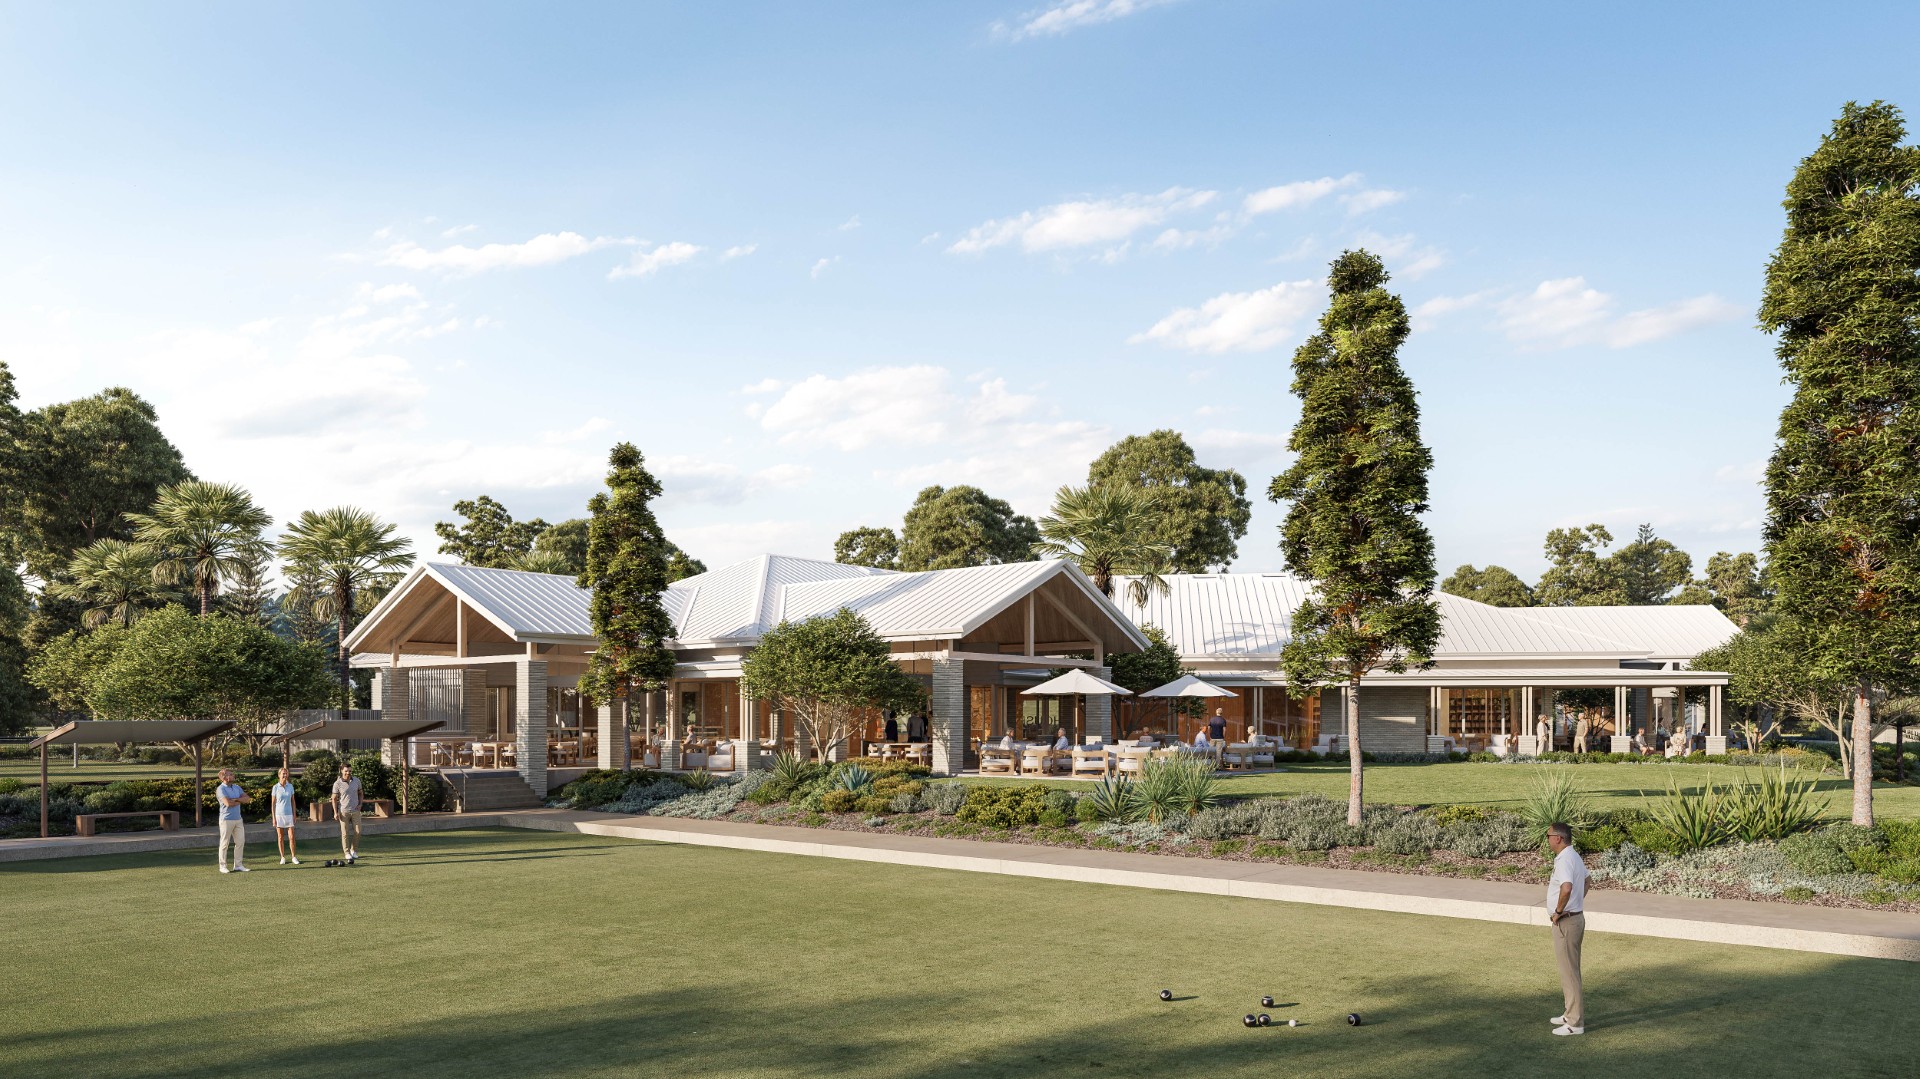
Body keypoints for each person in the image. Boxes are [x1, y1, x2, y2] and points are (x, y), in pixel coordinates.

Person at [1545, 821, 1589, 1036]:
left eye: (1548, 836)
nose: (1548, 840)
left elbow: (1567, 887)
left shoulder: (1565, 859)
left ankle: (1575, 1023)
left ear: (1558, 838)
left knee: (1570, 972)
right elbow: (1587, 881)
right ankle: (1569, 1013)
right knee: (1568, 971)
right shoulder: (1574, 856)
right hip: (1574, 918)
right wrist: (1576, 903)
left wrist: (1559, 910)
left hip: (1566, 922)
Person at [215, 768, 251, 874]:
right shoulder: (220, 789)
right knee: (224, 843)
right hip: (226, 820)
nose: (233, 775)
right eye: (231, 774)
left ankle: (238, 865)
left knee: (240, 842)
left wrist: (235, 800)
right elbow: (228, 803)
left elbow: (247, 799)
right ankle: (222, 866)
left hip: (238, 819)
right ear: (225, 777)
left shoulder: (237, 787)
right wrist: (239, 800)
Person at [332, 763, 364, 864]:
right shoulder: (337, 783)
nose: (348, 773)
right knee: (345, 833)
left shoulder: (357, 781)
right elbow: (333, 798)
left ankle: (353, 850)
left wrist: (360, 804)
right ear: (341, 771)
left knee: (358, 831)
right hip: (343, 811)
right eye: (346, 771)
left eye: (349, 771)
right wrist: (335, 812)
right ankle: (346, 852)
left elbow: (361, 793)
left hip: (355, 811)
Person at [271, 767, 300, 865]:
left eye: (286, 773)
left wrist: (294, 815)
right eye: (283, 773)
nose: (285, 775)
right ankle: (282, 857)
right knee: (280, 837)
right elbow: (273, 804)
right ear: (279, 775)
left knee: (292, 837)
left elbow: (293, 801)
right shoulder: (275, 787)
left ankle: (293, 857)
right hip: (279, 815)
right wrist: (274, 818)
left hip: (289, 815)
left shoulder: (290, 786)